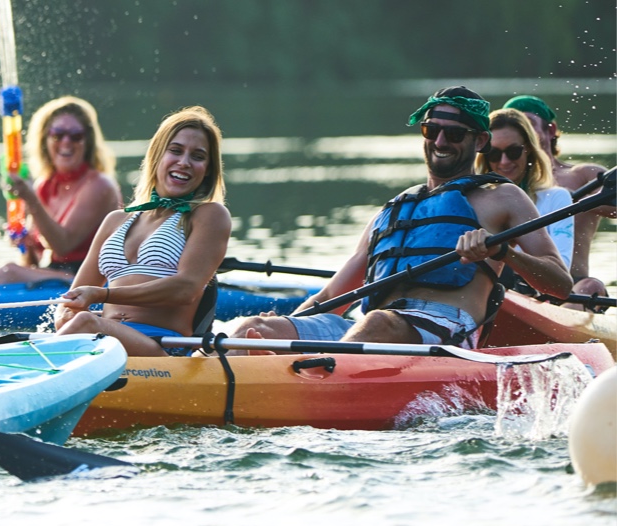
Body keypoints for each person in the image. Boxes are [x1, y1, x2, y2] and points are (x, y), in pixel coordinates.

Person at [230, 87, 573, 351]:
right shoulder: (393, 209)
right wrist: (291, 324)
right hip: (367, 329)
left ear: (480, 140)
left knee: (377, 323)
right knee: (254, 328)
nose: (440, 141)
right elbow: (334, 294)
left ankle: (313, 378)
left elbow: (559, 284)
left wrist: (503, 253)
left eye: (454, 134)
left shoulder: (504, 197)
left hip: (443, 332)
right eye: (431, 130)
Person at [51, 106, 232, 357]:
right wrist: (65, 314)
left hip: (163, 349)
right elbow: (71, 298)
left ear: (208, 169)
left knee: (86, 324)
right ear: (157, 154)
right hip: (106, 342)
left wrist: (102, 295)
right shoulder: (115, 220)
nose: (184, 162)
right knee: (82, 322)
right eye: (175, 150)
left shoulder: (209, 215)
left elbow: (186, 289)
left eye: (198, 156)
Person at [0, 96, 123, 289]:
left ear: (87, 142)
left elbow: (63, 246)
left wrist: (30, 198)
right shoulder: (44, 185)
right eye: (57, 134)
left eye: (75, 136)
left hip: (88, 281)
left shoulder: (99, 185)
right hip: (54, 272)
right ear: (45, 140)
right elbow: (31, 263)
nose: (66, 142)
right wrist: (26, 244)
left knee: (9, 271)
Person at [502, 95, 611, 308]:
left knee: (592, 285)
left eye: (529, 124)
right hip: (515, 284)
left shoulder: (583, 175)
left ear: (550, 130)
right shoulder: (501, 180)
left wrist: (570, 199)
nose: (524, 132)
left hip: (572, 286)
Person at [475, 108, 574, 268]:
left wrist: (504, 252)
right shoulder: (474, 199)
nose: (504, 161)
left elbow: (563, 267)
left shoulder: (556, 197)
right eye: (494, 154)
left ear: (528, 149)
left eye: (513, 151)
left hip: (534, 283)